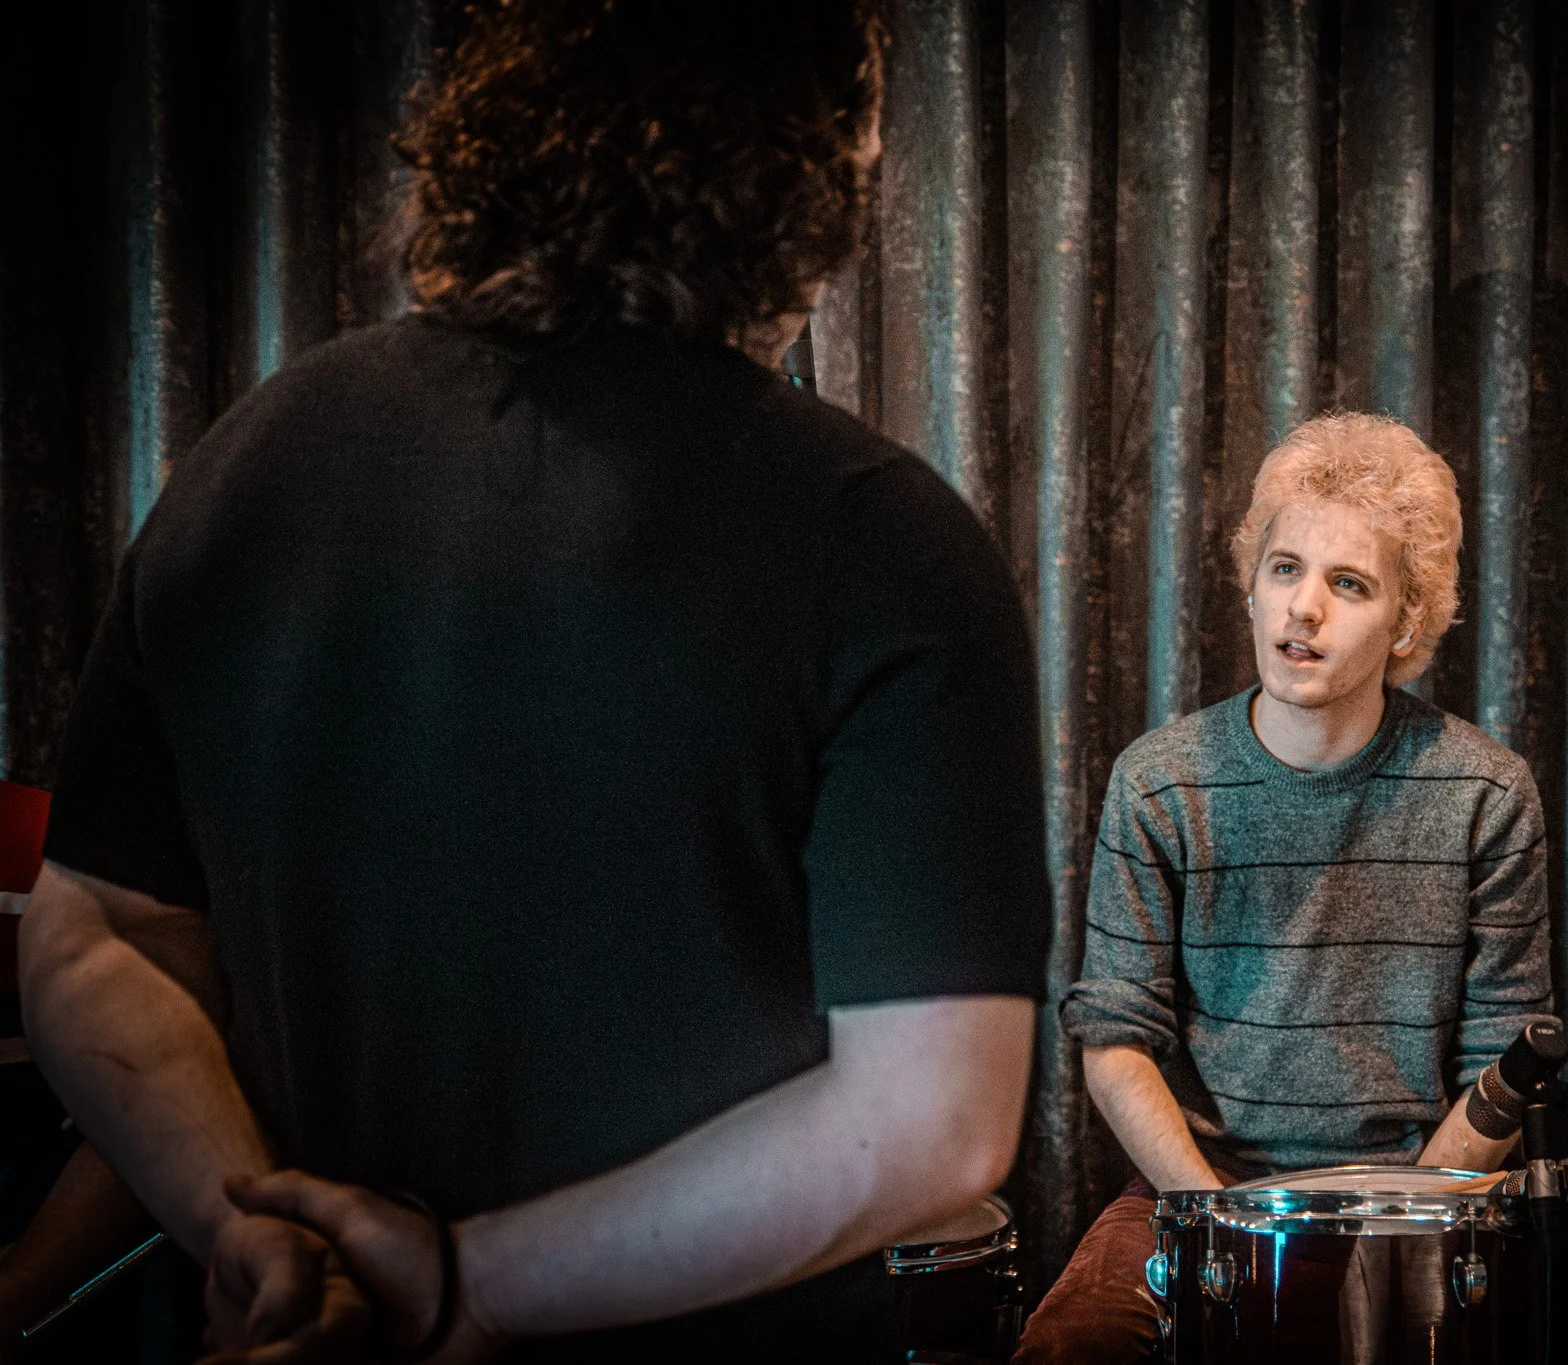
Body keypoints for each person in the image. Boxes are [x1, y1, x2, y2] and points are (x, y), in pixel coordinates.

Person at [17, 4, 1050, 1361]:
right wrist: (462, 1286)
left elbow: (97, 934)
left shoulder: (247, 468)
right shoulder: (884, 538)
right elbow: (933, 1124)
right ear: (816, 170)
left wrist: (254, 1233)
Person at [1014, 413, 1558, 1362]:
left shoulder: (1487, 791)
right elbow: (1113, 1040)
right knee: (1069, 1349)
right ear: (1253, 587)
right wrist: (1227, 1229)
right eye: (1285, 569)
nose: (1303, 608)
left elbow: (1497, 1076)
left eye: (1349, 584)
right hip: (1199, 1190)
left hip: (1420, 1196)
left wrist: (1392, 1241)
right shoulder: (1160, 782)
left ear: (1408, 619)